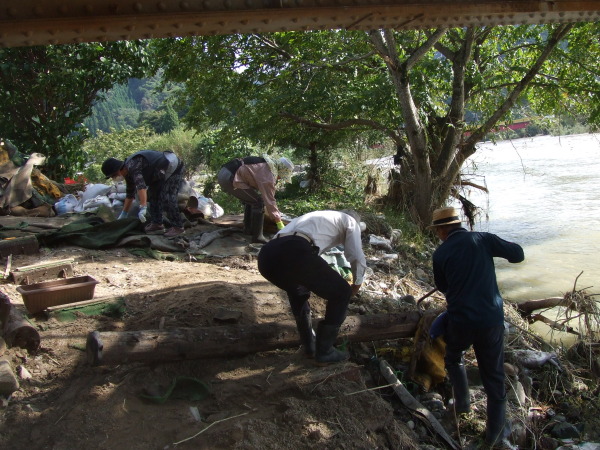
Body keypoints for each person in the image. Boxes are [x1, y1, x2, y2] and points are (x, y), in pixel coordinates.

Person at [430, 206, 524, 448]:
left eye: (437, 231)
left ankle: (462, 405)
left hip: (460, 320)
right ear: (459, 224)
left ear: (441, 230)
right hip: (490, 319)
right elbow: (518, 254)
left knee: (454, 357)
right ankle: (496, 435)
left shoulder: (440, 254)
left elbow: (443, 286)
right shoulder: (483, 239)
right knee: (493, 375)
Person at [257, 210, 367, 365]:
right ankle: (325, 352)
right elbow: (356, 256)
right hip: (294, 250)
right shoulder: (349, 221)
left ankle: (309, 346)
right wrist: (355, 287)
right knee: (342, 292)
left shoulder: (317, 218)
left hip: (266, 257)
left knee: (298, 290)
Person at [101, 150, 185, 238]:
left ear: (118, 169)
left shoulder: (132, 166)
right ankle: (157, 224)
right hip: (158, 173)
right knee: (153, 195)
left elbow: (141, 186)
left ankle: (178, 227)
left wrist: (143, 207)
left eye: (114, 175)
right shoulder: (128, 175)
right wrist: (124, 214)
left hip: (173, 167)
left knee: (167, 197)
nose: (114, 178)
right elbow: (130, 194)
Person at [217, 155, 293, 243]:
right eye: (281, 176)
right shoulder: (268, 175)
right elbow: (270, 201)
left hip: (225, 172)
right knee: (259, 202)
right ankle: (258, 237)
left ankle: (248, 229)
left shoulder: (263, 164)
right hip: (229, 177)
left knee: (252, 200)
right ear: (280, 171)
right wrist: (279, 223)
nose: (280, 178)